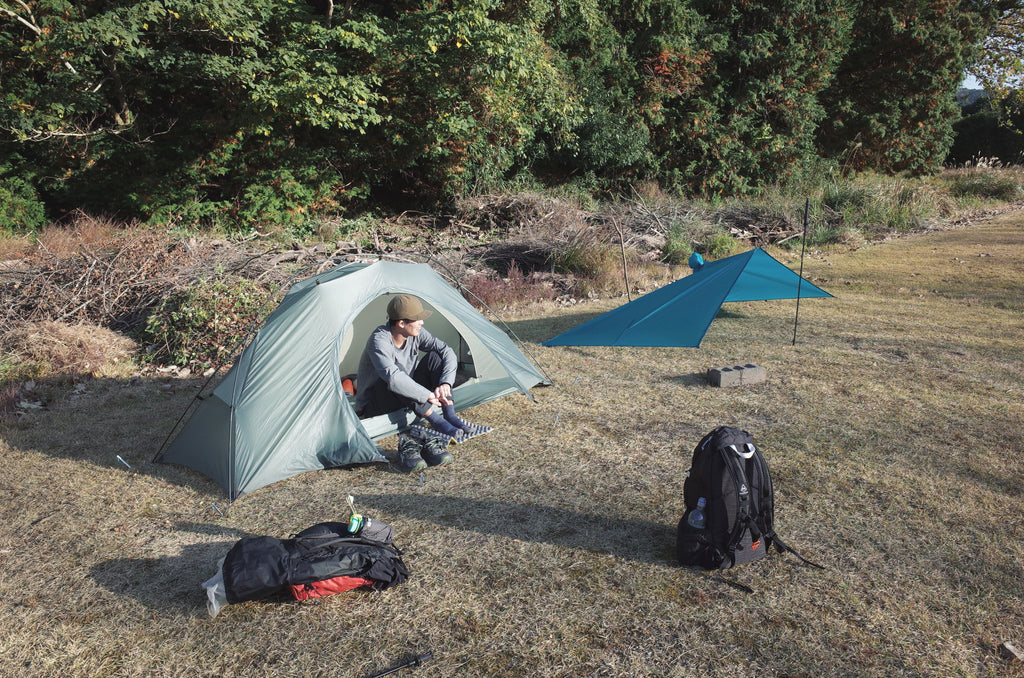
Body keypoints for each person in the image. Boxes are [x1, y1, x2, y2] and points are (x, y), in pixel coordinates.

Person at [355, 294, 473, 471]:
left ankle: (450, 416)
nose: (422, 323)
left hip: (403, 395)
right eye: (417, 319)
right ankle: (438, 422)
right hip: (376, 403)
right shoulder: (379, 340)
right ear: (401, 323)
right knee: (398, 374)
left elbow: (446, 350)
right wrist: (427, 394)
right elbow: (394, 379)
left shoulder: (415, 334)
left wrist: (446, 383)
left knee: (435, 357)